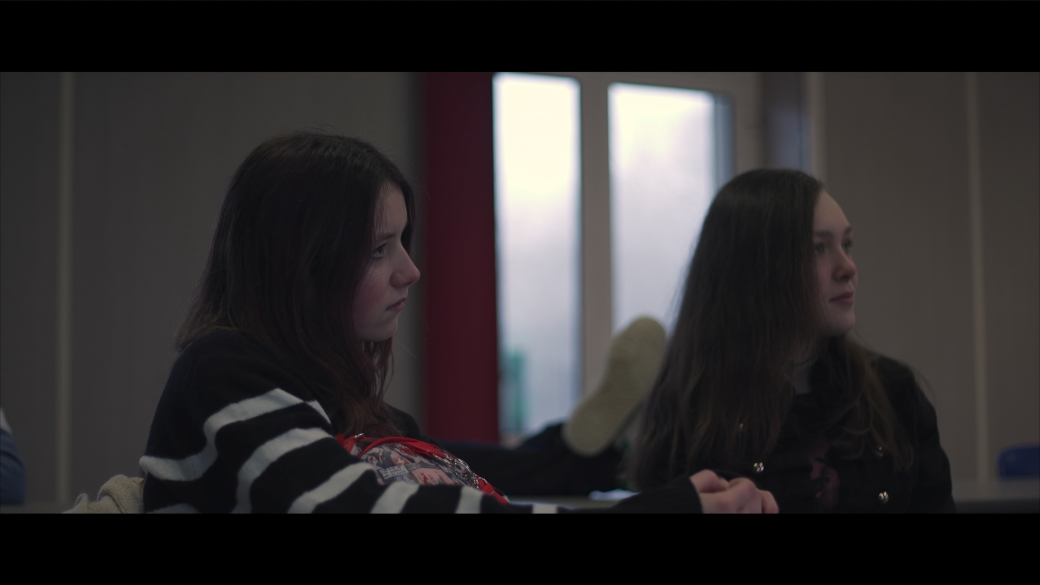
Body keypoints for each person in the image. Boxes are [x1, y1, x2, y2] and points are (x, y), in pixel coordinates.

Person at [139, 128, 777, 513]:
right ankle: (579, 451)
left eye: (404, 243)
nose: (411, 271)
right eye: (379, 249)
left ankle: (578, 451)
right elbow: (364, 508)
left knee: (466, 462)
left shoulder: (353, 415)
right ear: (303, 266)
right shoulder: (223, 369)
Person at [630, 168, 956, 513]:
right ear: (756, 269)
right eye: (818, 248)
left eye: (846, 244)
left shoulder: (893, 392)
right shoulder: (691, 408)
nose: (848, 267)